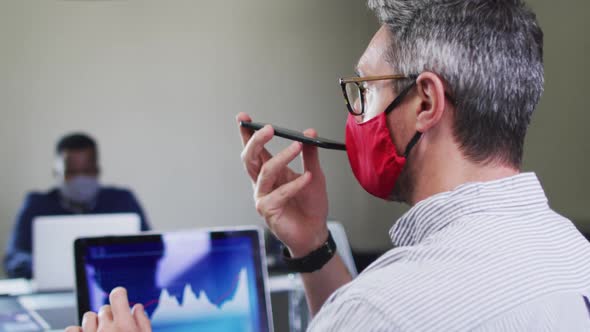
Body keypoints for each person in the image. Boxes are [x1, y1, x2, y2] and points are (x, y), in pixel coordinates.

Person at [66, 0, 590, 331]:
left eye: (364, 90)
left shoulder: (385, 309)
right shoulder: (572, 254)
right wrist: (313, 247)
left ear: (426, 103)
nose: (354, 113)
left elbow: (377, 316)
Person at [4, 133, 150, 279]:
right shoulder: (36, 204)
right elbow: (13, 259)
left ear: (97, 170)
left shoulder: (123, 200)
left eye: (87, 171)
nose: (80, 179)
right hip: (50, 294)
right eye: (72, 172)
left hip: (113, 289)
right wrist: (43, 267)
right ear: (56, 173)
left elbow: (152, 249)